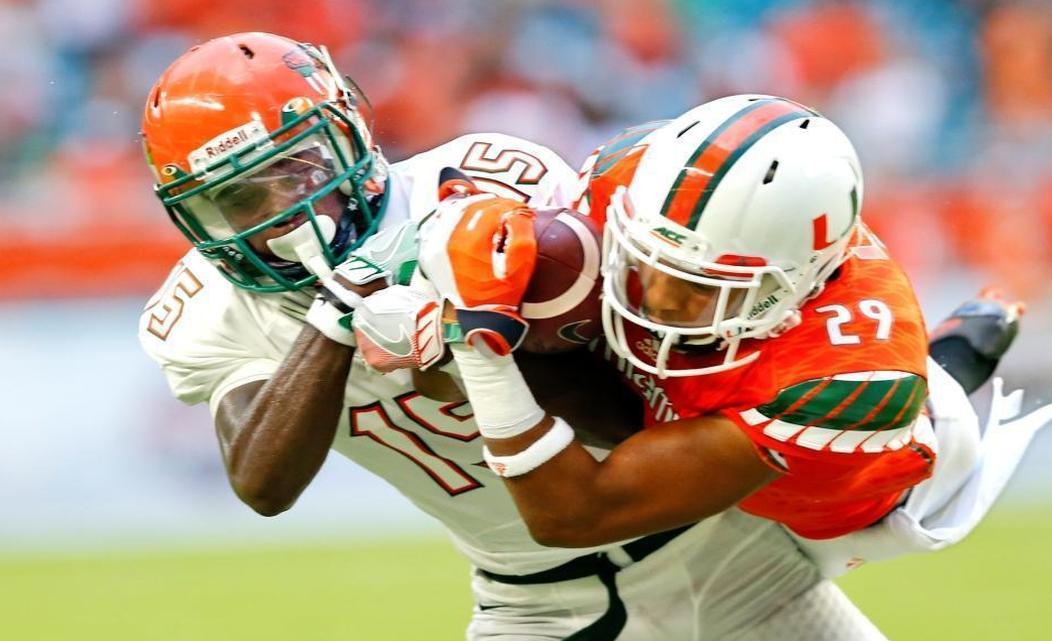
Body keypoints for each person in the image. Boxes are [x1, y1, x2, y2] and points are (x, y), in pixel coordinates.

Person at [139, 36, 894, 640]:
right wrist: (336, 312)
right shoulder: (206, 308)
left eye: (296, 171)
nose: (281, 213)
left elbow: (635, 405)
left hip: (721, 550)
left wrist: (480, 337)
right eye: (234, 199)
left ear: (348, 139)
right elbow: (263, 483)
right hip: (535, 601)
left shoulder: (482, 183)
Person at [358, 94, 1052, 579]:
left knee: (931, 425)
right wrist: (462, 261)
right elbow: (531, 265)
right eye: (647, 266)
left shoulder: (849, 381)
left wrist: (475, 341)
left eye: (698, 290)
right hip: (733, 377)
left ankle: (960, 352)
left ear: (793, 286)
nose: (655, 302)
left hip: (841, 493)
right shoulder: (636, 169)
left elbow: (579, 511)